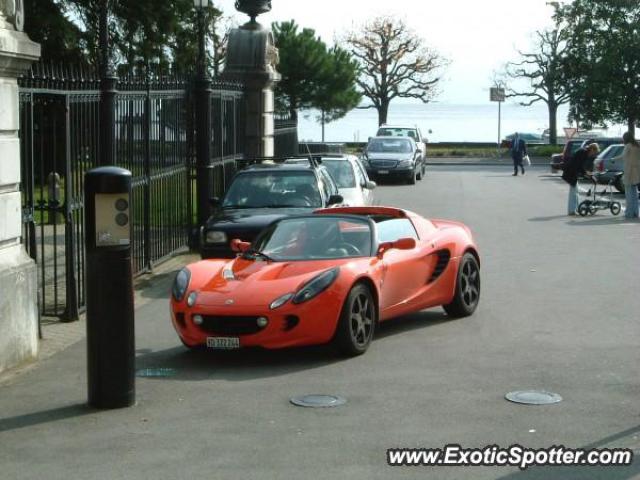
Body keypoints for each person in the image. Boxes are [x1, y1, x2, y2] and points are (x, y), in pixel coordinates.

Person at [561, 142, 600, 215]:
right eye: (594, 152)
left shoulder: (583, 152)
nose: (593, 155)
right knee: (573, 193)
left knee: (575, 191)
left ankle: (577, 208)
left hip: (572, 172)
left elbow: (579, 166)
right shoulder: (583, 153)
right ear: (591, 149)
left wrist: (587, 174)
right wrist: (587, 174)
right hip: (571, 173)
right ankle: (572, 211)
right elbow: (578, 166)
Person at [621, 131, 640, 219]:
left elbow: (623, 156)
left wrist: (613, 158)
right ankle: (636, 212)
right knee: (635, 193)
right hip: (637, 171)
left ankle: (629, 213)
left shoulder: (628, 146)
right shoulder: (637, 145)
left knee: (628, 194)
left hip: (629, 171)